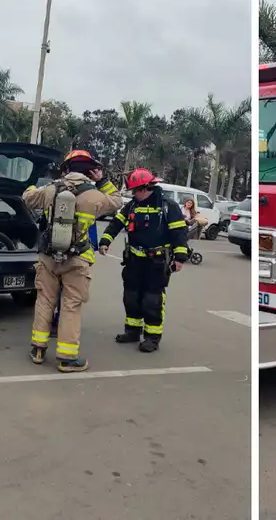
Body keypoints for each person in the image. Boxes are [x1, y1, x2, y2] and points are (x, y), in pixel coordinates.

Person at [21, 150, 124, 372]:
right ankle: (66, 358)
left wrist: (30, 187)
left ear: (66, 168)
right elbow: (117, 201)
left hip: (48, 257)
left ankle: (38, 349)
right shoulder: (94, 196)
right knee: (71, 306)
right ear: (89, 171)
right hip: (77, 259)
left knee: (44, 301)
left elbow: (27, 198)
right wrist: (102, 180)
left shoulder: (51, 189)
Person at [99, 169, 190, 353]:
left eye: (135, 190)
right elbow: (116, 223)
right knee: (131, 297)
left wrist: (180, 257)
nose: (133, 194)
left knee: (152, 300)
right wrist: (105, 241)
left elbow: (179, 233)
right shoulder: (132, 205)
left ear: (145, 188)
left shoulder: (168, 206)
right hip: (134, 261)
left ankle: (152, 337)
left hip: (156, 263)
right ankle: (132, 331)